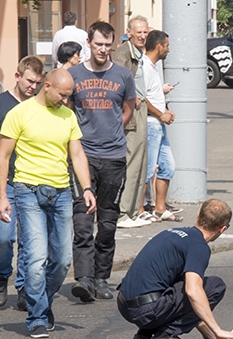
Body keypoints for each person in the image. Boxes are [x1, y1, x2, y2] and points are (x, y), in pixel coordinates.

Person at [0, 69, 96, 339]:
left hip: (62, 192)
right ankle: (38, 316)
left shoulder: (68, 115)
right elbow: (3, 156)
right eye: (62, 95)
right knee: (36, 257)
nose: (65, 101)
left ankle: (42, 300)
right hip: (27, 191)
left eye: (69, 96)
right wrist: (2, 196)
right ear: (47, 86)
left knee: (63, 259)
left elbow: (76, 153)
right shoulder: (19, 113)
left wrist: (87, 188)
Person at [67, 21, 136, 302]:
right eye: (98, 44)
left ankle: (101, 278)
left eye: (108, 45)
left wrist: (111, 131)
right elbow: (68, 110)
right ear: (88, 42)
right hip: (83, 156)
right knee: (83, 221)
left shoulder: (123, 75)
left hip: (114, 157)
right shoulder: (73, 75)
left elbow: (128, 108)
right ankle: (83, 279)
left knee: (107, 223)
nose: (103, 49)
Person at [117, 199, 233, 339]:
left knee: (175, 282)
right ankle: (165, 336)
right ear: (222, 229)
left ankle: (143, 336)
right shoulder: (198, 246)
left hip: (124, 304)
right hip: (146, 310)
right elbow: (193, 292)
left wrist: (206, 331)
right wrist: (217, 330)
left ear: (198, 216)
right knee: (214, 286)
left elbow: (180, 296)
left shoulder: (170, 232)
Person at [0, 56, 45, 310]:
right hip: (5, 183)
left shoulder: (40, 107)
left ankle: (25, 287)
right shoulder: (2, 104)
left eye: (38, 83)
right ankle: (2, 275)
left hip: (31, 183)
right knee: (4, 238)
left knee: (30, 240)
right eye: (30, 81)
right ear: (18, 77)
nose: (33, 87)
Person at [113, 16, 154, 228]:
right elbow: (116, 79)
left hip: (140, 109)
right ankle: (122, 213)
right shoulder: (123, 52)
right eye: (138, 32)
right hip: (131, 112)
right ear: (129, 33)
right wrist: (130, 96)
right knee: (132, 163)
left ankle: (131, 212)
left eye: (145, 32)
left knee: (141, 163)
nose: (142, 36)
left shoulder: (138, 52)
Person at [143, 30, 181, 222]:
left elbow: (154, 95)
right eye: (167, 45)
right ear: (159, 47)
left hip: (159, 123)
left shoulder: (154, 66)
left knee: (168, 165)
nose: (168, 49)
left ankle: (160, 207)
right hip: (151, 124)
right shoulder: (144, 66)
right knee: (147, 170)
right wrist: (160, 114)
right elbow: (141, 99)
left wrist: (165, 110)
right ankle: (139, 209)